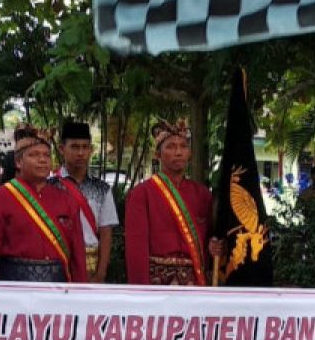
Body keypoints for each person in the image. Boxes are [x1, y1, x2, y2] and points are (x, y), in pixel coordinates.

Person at [0, 125, 87, 283]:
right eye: (34, 155)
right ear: (18, 162)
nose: (42, 160)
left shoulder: (66, 199)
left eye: (46, 155)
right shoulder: (0, 197)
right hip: (14, 288)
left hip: (57, 290)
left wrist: (80, 291)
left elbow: (77, 254)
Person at [125, 120, 220, 285]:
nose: (178, 152)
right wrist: (140, 291)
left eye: (183, 146)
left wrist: (214, 246)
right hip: (157, 284)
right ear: (157, 154)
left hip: (195, 281)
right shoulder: (141, 193)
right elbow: (136, 250)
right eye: (170, 147)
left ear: (189, 153)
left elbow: (211, 237)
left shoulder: (202, 194)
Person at [56, 120, 118, 283]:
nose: (81, 153)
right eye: (75, 147)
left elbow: (106, 231)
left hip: (91, 264)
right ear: (62, 149)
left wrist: (101, 273)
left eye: (85, 147)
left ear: (91, 150)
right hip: (58, 263)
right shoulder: (50, 186)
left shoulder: (102, 188)